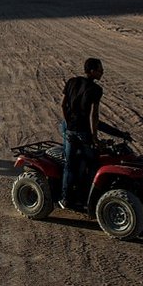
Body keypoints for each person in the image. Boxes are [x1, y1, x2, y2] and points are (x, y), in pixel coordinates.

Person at [59, 57, 104, 209]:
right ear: (91, 71)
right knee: (91, 162)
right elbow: (94, 116)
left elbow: (63, 105)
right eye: (99, 69)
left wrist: (68, 124)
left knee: (69, 165)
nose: (102, 72)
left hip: (69, 130)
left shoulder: (71, 81)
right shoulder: (96, 90)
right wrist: (94, 137)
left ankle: (66, 199)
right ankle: (82, 197)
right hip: (83, 132)